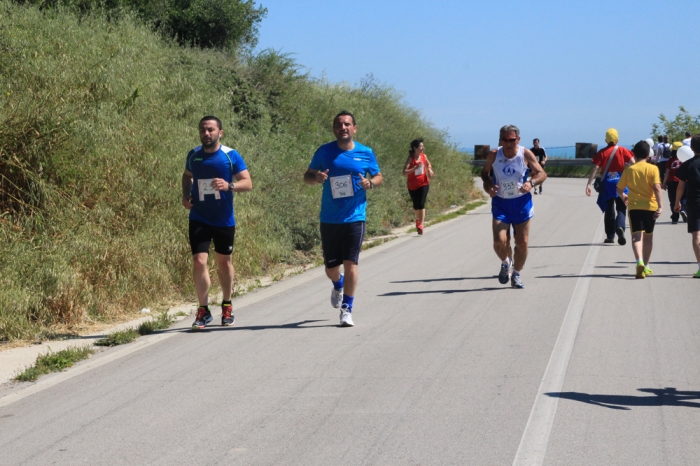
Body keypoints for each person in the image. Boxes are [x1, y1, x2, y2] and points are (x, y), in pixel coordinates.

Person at [303, 111, 383, 326]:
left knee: (351, 264)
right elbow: (307, 176)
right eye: (339, 125)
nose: (343, 128)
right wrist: (316, 178)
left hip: (355, 217)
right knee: (331, 269)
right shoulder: (324, 151)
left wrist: (371, 183)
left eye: (347, 124)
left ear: (354, 128)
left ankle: (347, 309)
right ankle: (338, 284)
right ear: (334, 129)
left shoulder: (366, 152)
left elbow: (378, 176)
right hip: (329, 218)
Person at [182, 116, 252, 329]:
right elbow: (187, 176)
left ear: (220, 132)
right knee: (199, 262)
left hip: (223, 219)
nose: (206, 133)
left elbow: (247, 183)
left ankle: (227, 304)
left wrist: (228, 186)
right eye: (203, 129)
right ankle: (203, 311)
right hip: (199, 217)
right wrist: (186, 196)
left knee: (224, 263)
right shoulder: (193, 155)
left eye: (211, 129)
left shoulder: (230, 156)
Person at [480, 125, 547, 289]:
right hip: (501, 204)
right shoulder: (494, 154)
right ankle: (506, 262)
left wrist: (531, 183)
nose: (508, 143)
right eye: (505, 140)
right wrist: (489, 186)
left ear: (518, 139)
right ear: (500, 140)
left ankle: (516, 274)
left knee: (522, 242)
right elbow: (484, 173)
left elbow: (542, 173)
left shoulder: (525, 153)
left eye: (512, 140)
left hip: (521, 203)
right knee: (499, 242)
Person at [616, 141, 662, 279]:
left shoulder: (629, 170)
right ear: (648, 155)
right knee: (648, 236)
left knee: (636, 237)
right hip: (650, 207)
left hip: (635, 207)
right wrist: (661, 206)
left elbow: (618, 188)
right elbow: (657, 188)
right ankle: (646, 266)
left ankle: (639, 261)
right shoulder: (653, 169)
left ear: (634, 154)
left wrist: (624, 196)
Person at [585, 128, 635, 245]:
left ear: (605, 140)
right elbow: (634, 164)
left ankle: (610, 236)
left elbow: (595, 168)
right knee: (622, 208)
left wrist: (588, 184)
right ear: (617, 139)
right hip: (621, 183)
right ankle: (620, 226)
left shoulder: (602, 152)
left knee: (609, 210)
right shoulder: (623, 150)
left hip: (607, 184)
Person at [674, 134, 700, 278]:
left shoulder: (688, 164)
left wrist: (677, 202)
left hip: (694, 202)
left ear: (691, 148)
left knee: (696, 234)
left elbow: (680, 186)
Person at [403, 138, 434, 234]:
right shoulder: (411, 158)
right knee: (416, 205)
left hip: (424, 183)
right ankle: (417, 219)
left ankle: (421, 224)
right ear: (415, 148)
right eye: (421, 146)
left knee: (421, 203)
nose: (423, 147)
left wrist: (429, 169)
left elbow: (428, 164)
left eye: (422, 146)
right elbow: (404, 172)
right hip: (412, 184)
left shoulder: (424, 156)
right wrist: (414, 168)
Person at [661, 141, 687, 224]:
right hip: (683, 181)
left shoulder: (670, 161)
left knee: (673, 200)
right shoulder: (685, 160)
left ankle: (675, 217)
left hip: (672, 182)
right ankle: (683, 210)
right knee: (684, 197)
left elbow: (667, 172)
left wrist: (664, 183)